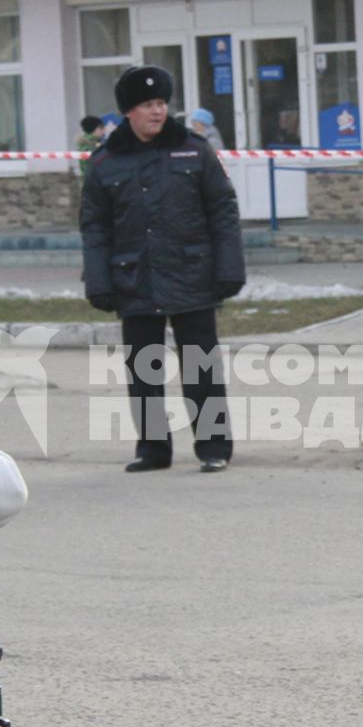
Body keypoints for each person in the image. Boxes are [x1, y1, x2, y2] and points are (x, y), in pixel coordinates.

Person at [80, 64, 245, 473]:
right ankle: (153, 450)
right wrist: (99, 281)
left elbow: (223, 209)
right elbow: (94, 226)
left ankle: (213, 447)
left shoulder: (194, 150)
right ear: (129, 112)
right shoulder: (106, 162)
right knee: (143, 371)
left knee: (201, 366)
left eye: (161, 103)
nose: (157, 111)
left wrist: (229, 268)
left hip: (193, 272)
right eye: (147, 105)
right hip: (134, 277)